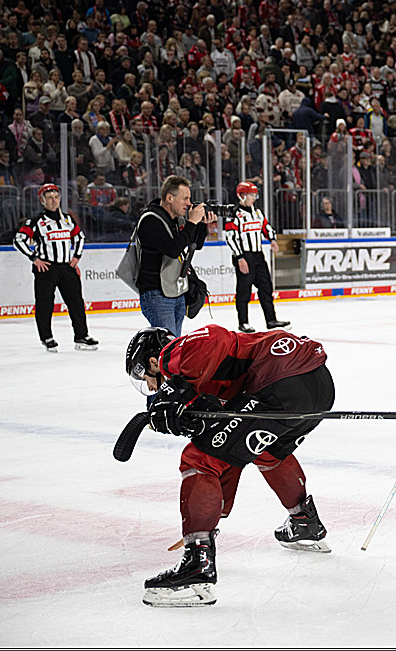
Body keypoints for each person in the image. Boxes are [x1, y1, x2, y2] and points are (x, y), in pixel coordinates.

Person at [125, 324, 334, 607]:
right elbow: (232, 457)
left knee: (196, 460)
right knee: (267, 453)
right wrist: (209, 518)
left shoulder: (174, 355)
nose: (150, 386)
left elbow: (215, 336)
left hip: (280, 381)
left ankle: (197, 567)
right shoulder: (214, 379)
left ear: (152, 361)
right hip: (317, 385)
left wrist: (174, 392)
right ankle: (304, 522)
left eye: (144, 376)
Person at [13, 183, 99, 352]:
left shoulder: (67, 219)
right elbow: (18, 240)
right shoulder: (36, 221)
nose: (53, 201)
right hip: (46, 268)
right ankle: (47, 337)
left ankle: (81, 336)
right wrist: (34, 258)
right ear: (42, 200)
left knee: (76, 303)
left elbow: (80, 237)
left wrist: (76, 257)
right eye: (49, 198)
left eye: (56, 197)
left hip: (66, 267)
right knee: (45, 303)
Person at [136, 175, 215, 336]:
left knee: (174, 344)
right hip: (156, 292)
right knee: (167, 346)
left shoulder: (175, 220)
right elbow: (172, 249)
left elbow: (195, 244)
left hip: (175, 290)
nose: (189, 203)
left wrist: (200, 225)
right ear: (169, 197)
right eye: (185, 198)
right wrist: (191, 223)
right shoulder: (150, 220)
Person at [225, 182, 290, 333]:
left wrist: (272, 239)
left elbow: (266, 227)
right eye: (251, 195)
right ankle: (243, 322)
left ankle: (271, 320)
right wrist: (240, 258)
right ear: (242, 195)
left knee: (266, 287)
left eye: (255, 195)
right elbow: (231, 237)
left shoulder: (257, 213)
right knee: (244, 290)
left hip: (258, 255)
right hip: (244, 255)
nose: (254, 198)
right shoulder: (235, 214)